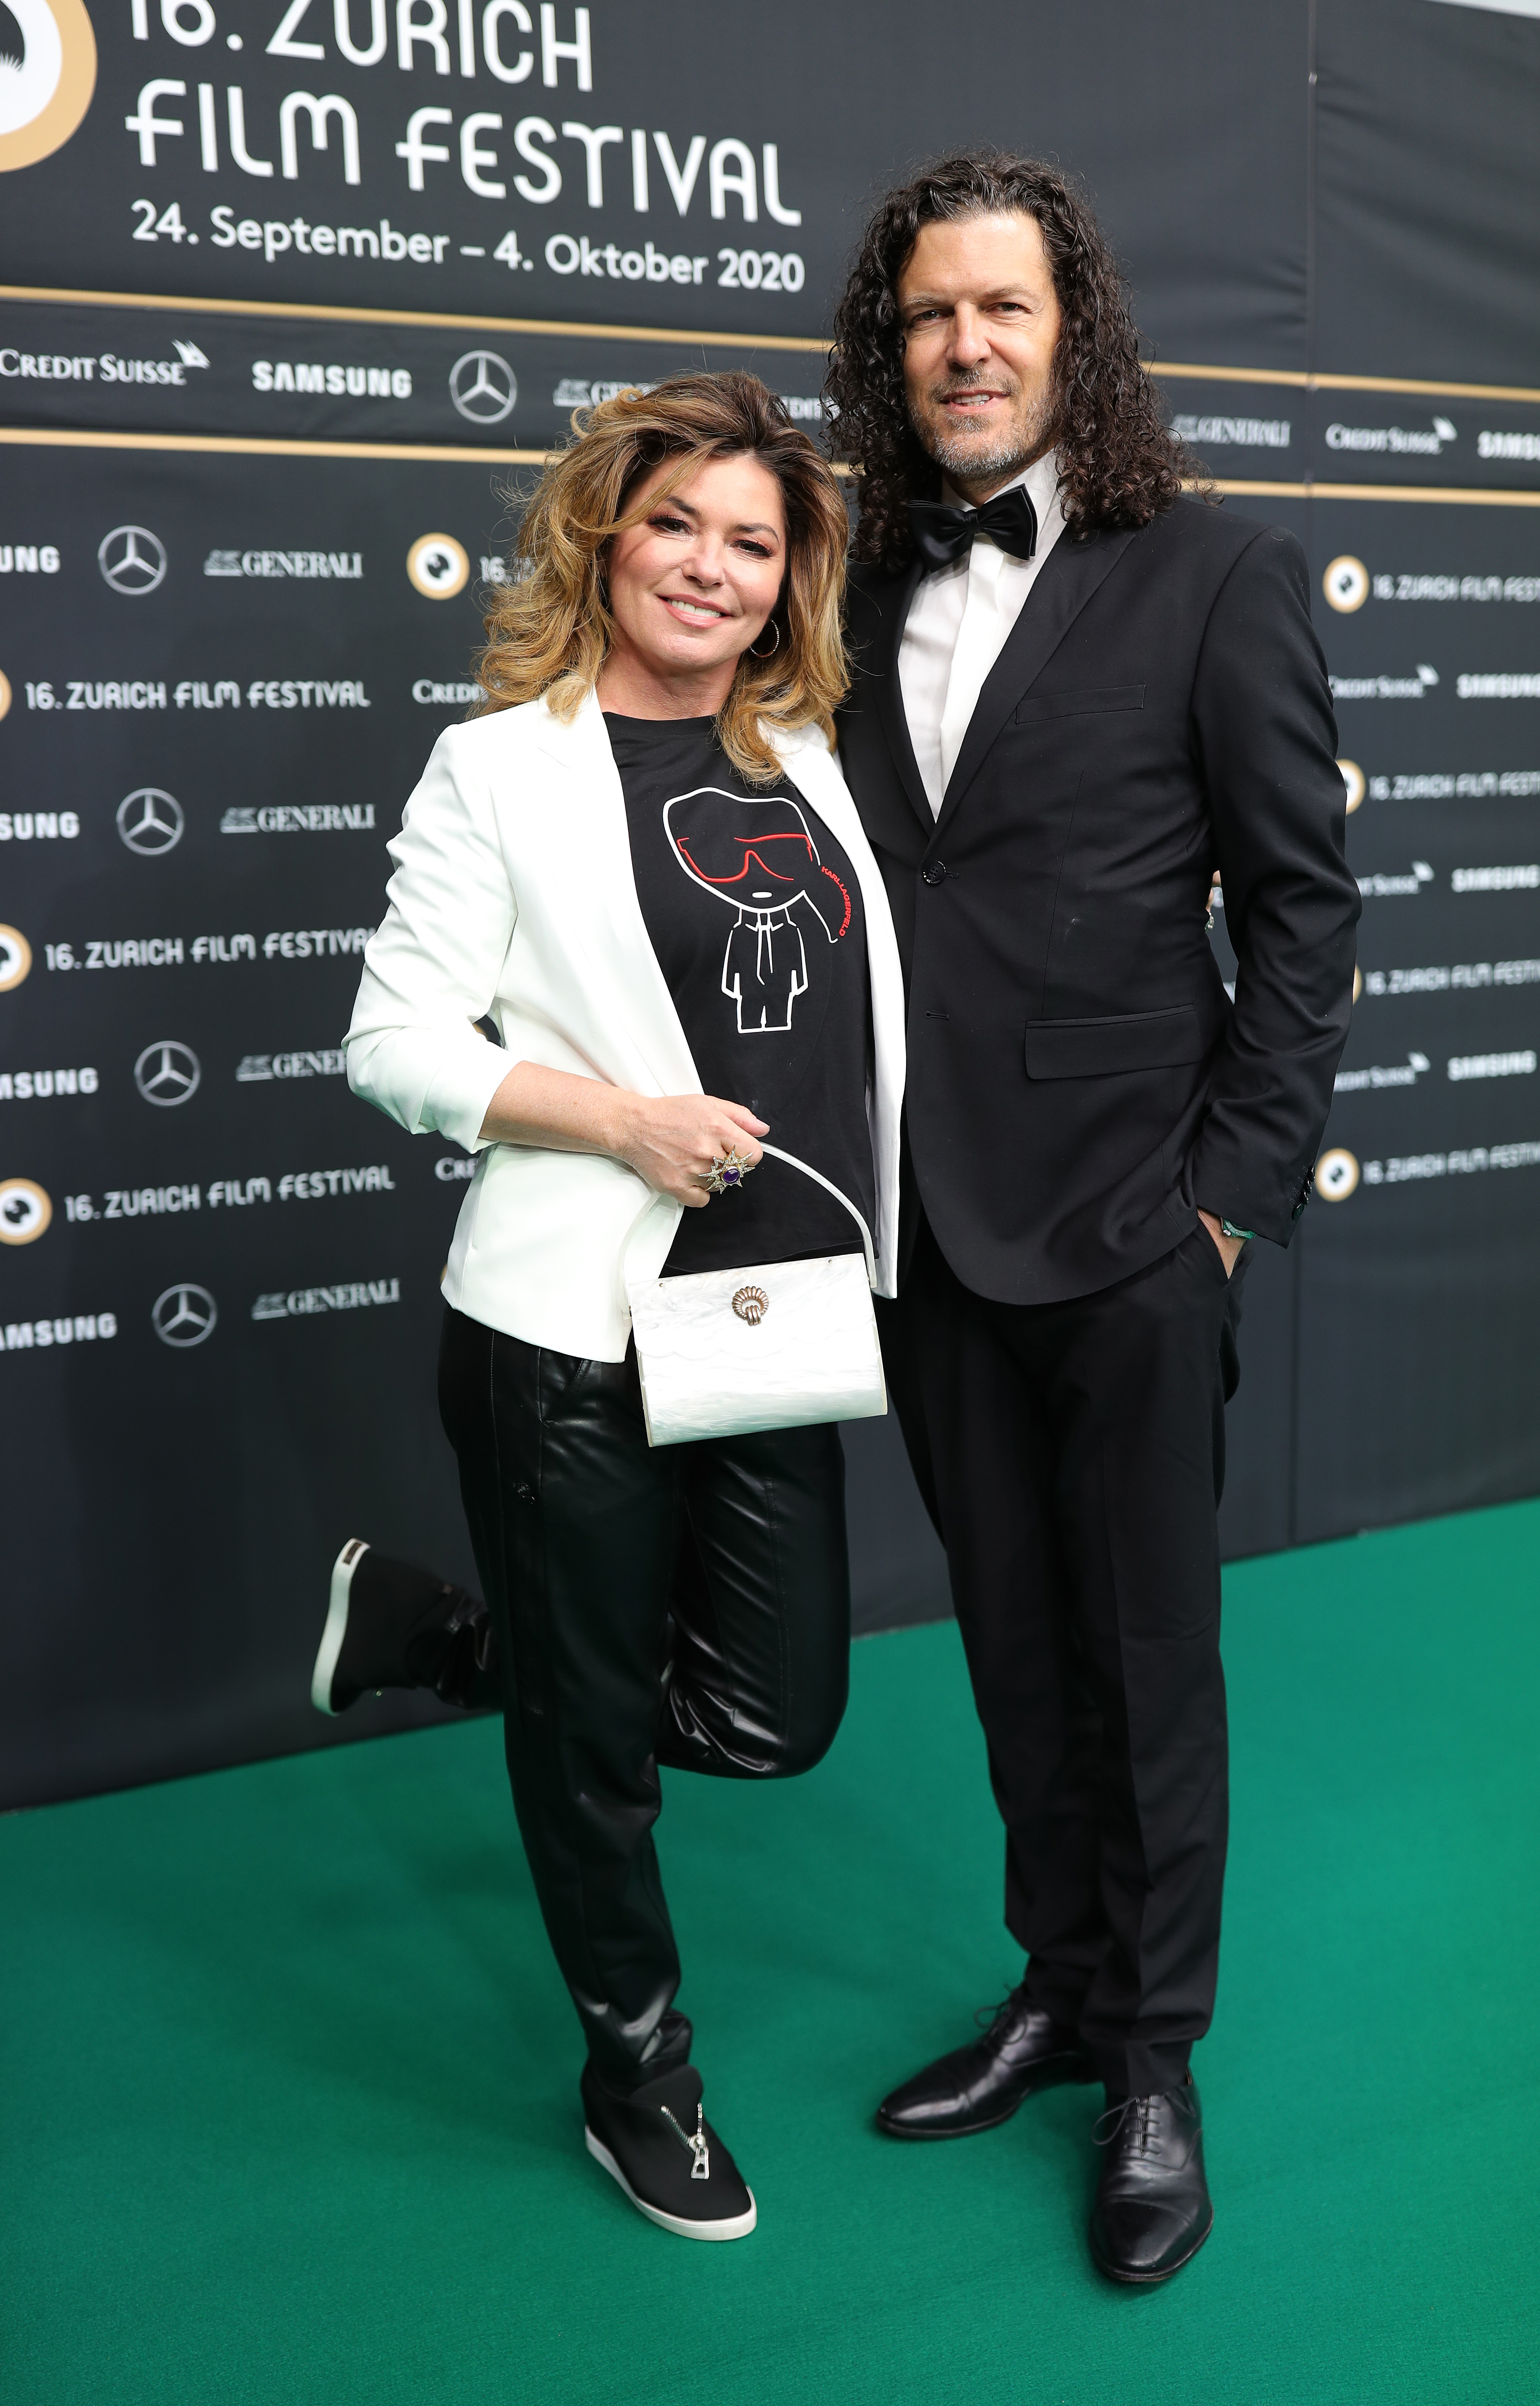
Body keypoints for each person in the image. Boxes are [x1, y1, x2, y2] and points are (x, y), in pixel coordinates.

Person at [821, 152, 1359, 2284]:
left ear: (1075, 335)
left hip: (1137, 1226)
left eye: (1004, 311)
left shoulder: (1214, 570)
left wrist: (1222, 1209)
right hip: (922, 1227)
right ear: (895, 344)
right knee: (1015, 1645)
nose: (966, 345)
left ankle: (1154, 2057)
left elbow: (1303, 912)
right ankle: (1054, 1983)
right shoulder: (845, 576)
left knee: (1149, 1658)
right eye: (932, 314)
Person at [334, 371, 907, 2242]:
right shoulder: (499, 764)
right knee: (597, 1751)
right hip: (565, 1321)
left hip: (769, 1320)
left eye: (753, 541)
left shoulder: (804, 753)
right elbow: (394, 1042)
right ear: (606, 528)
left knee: (771, 1713)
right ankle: (636, 2082)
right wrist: (618, 1118)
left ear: (787, 578)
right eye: (679, 523)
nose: (711, 567)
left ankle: (448, 1642)